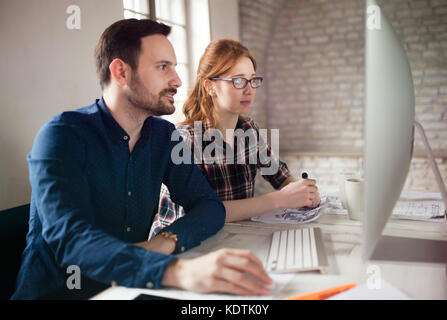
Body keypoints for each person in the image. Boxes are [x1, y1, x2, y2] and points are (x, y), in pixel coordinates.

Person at [11, 19, 272, 300]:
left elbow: (209, 206)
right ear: (121, 72)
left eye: (174, 66)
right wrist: (179, 272)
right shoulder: (62, 136)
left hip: (130, 288)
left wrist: (165, 241)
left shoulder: (164, 136)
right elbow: (73, 242)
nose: (178, 80)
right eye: (163, 67)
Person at [152, 39, 321, 236]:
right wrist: (280, 199)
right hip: (181, 246)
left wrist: (302, 192)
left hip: (230, 237)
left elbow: (280, 177)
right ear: (210, 87)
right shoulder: (185, 140)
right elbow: (202, 212)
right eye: (238, 81)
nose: (249, 89)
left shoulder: (249, 130)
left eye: (253, 80)